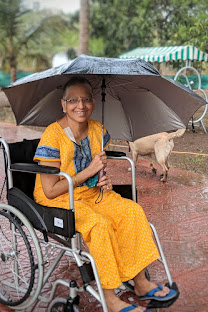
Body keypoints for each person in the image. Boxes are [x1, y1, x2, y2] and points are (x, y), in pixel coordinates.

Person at [33, 77, 176, 312]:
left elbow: (96, 170)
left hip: (91, 193)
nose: (81, 105)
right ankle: (109, 297)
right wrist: (88, 171)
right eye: (73, 100)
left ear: (93, 102)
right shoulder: (53, 135)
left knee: (131, 212)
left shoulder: (98, 130)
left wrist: (101, 179)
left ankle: (140, 283)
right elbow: (49, 191)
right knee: (99, 226)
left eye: (86, 99)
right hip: (60, 199)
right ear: (63, 104)